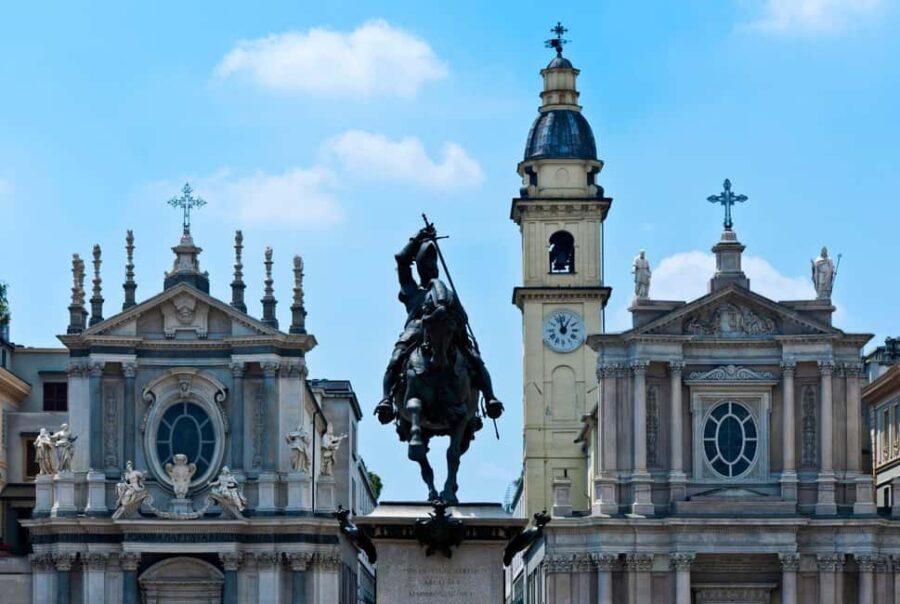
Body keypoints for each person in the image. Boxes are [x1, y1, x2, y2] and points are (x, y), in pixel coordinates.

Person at [375, 226, 503, 422]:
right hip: (417, 329)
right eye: (427, 264)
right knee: (396, 360)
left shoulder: (446, 293)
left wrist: (455, 318)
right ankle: (387, 399)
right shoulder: (412, 289)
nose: (432, 267)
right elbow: (401, 259)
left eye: (433, 264)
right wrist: (418, 238)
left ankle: (489, 397)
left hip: (448, 329)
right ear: (420, 267)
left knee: (475, 359)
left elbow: (463, 316)